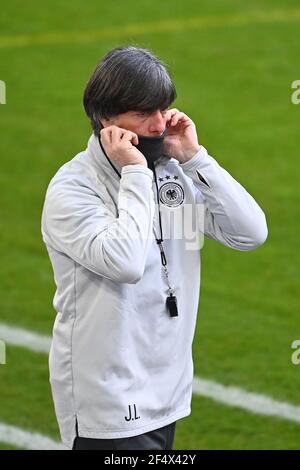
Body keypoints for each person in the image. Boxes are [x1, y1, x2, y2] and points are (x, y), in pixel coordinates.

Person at [41, 46, 268, 450]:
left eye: (163, 109)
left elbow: (250, 233)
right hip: (106, 401)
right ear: (105, 117)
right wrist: (133, 172)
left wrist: (197, 159)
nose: (159, 125)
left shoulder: (172, 174)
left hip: (168, 393)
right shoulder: (73, 190)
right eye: (144, 113)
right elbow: (127, 263)